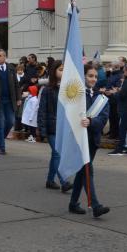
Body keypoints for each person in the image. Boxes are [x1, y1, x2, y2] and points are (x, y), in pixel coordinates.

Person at [68, 64, 110, 217]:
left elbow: (104, 118)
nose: (93, 79)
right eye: (90, 76)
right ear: (83, 76)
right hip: (79, 139)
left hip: (93, 139)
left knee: (82, 172)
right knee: (87, 170)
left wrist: (91, 122)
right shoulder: (76, 94)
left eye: (95, 77)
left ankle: (73, 203)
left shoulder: (101, 98)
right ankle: (95, 205)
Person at [38, 60, 73, 192]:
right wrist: (42, 129)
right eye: (61, 69)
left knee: (55, 155)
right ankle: (64, 181)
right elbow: (42, 110)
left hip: (64, 127)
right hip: (52, 127)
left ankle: (50, 180)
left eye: (65, 69)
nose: (63, 72)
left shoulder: (69, 89)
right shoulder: (47, 90)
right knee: (58, 153)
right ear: (54, 71)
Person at [108, 64, 127, 156]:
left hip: (126, 108)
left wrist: (114, 93)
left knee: (123, 129)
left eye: (124, 71)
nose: (123, 73)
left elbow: (122, 95)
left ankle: (119, 149)